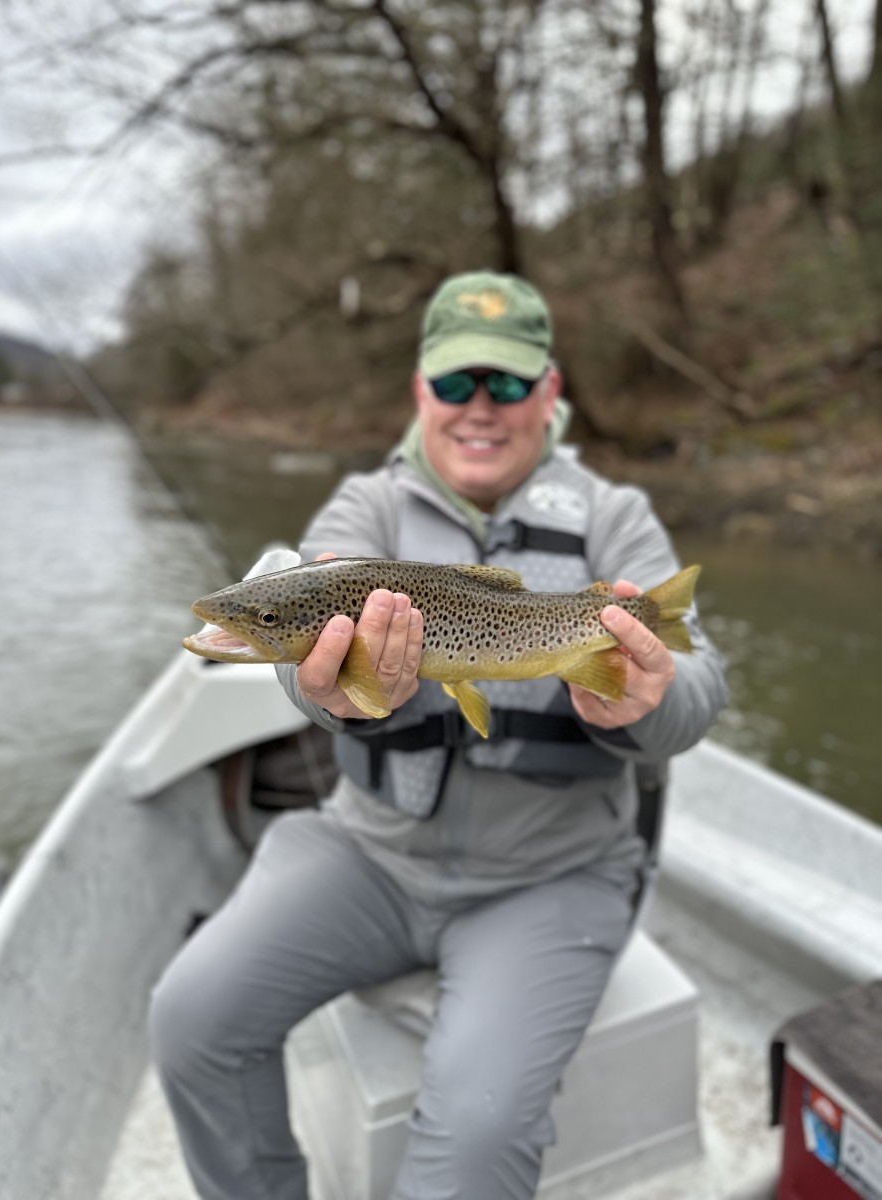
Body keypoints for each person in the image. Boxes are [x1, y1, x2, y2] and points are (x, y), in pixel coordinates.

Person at [150, 270, 726, 1200]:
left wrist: (648, 700)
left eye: (507, 383)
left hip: (551, 873)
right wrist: (334, 692)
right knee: (190, 1018)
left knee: (477, 1136)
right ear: (422, 392)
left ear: (550, 394)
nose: (480, 408)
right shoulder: (362, 513)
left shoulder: (615, 519)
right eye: (458, 384)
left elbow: (701, 690)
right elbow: (308, 669)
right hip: (367, 852)